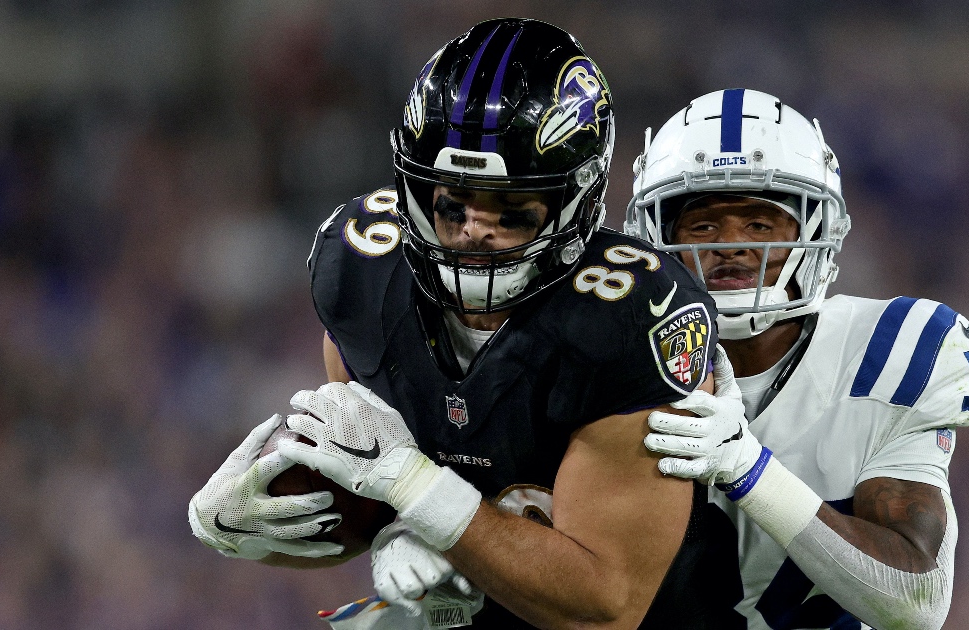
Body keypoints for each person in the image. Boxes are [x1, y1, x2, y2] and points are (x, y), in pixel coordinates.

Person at [191, 18, 734, 629]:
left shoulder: (632, 314)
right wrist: (253, 529)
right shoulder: (364, 273)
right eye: (453, 203)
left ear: (576, 201)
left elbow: (605, 606)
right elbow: (365, 493)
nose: (475, 229)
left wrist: (418, 492)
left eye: (511, 209)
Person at [630, 89, 969, 629]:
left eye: (759, 224)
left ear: (816, 232)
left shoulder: (889, 352)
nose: (731, 244)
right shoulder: (604, 355)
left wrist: (747, 469)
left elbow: (915, 601)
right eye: (702, 225)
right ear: (656, 237)